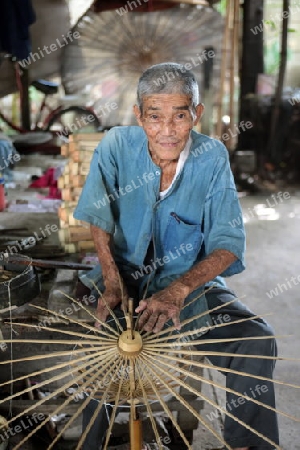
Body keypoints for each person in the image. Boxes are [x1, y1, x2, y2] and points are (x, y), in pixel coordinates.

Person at [74, 62, 279, 450]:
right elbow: (97, 214)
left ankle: (250, 444)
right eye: (155, 116)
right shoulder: (117, 145)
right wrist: (112, 279)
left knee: (256, 338)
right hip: (121, 276)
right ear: (139, 115)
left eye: (180, 115)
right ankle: (91, 442)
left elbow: (228, 242)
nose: (167, 130)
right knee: (101, 343)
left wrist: (180, 288)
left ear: (196, 115)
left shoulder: (212, 156)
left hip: (188, 285)